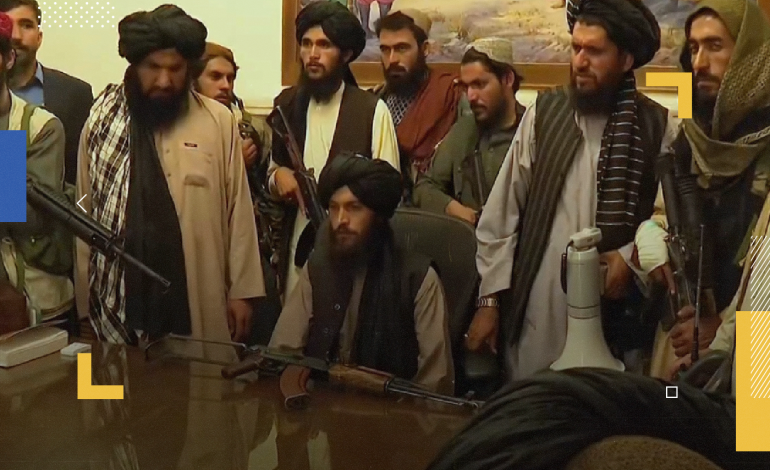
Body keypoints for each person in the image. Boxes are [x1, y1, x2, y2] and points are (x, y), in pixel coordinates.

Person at [467, 0, 679, 382]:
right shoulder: (545, 113)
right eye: (575, 47)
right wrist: (488, 302)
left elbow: (668, 220)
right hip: (540, 313)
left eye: (594, 51)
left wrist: (629, 260)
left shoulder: (658, 126)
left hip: (618, 319)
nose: (579, 61)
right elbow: (501, 214)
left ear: (626, 59)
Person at [74, 5, 265, 345]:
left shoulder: (218, 121)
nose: (164, 81)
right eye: (153, 68)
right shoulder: (100, 121)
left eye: (175, 69)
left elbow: (239, 212)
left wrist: (243, 291)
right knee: (103, 377)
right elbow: (82, 213)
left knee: (201, 374)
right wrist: (83, 304)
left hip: (200, 294)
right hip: (104, 297)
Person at [635, 0, 770, 379]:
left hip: (757, 338)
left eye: (715, 46)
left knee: (752, 415)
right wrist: (651, 235)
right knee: (671, 405)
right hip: (686, 331)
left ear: (749, 55)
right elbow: (666, 214)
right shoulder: (690, 137)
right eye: (693, 48)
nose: (699, 63)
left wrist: (723, 327)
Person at [270, 152, 454, 394]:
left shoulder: (419, 279)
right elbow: (282, 351)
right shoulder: (318, 268)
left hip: (392, 412)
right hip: (321, 409)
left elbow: (435, 385)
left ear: (378, 216)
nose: (340, 220)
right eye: (334, 208)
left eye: (354, 208)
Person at [268, 1, 399, 299]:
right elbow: (272, 172)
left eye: (324, 45)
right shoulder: (286, 105)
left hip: (356, 255)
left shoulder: (371, 111)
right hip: (297, 250)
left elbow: (389, 191)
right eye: (306, 44)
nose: (312, 54)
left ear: (346, 54)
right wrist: (279, 178)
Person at [0, 10, 72, 331]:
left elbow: (27, 217)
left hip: (37, 302)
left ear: (8, 59)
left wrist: (7, 150)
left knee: (75, 363)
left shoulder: (41, 126)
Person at [413, 38, 525, 225]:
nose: (471, 96)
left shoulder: (534, 133)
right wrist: (456, 210)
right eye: (466, 87)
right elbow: (424, 187)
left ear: (507, 79)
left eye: (479, 85)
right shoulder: (465, 130)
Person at [0, 0, 93, 186]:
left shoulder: (67, 102)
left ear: (39, 37)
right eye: (8, 24)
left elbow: (12, 199)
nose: (16, 36)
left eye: (26, 25)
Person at [373, 9, 464, 182]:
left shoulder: (450, 93)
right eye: (385, 50)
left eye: (401, 48)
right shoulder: (376, 100)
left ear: (425, 49)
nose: (392, 59)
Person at [192, 41, 272, 197]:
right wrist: (235, 163)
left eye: (230, 78)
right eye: (215, 77)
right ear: (193, 80)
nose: (225, 86)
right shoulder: (177, 126)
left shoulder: (252, 128)